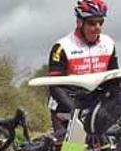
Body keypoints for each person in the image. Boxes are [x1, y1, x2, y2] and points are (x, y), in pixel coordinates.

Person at [48, 0, 117, 136]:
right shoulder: (62, 47)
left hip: (93, 107)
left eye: (100, 22)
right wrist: (75, 110)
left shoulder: (108, 44)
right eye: (92, 22)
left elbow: (115, 80)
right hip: (65, 108)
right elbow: (54, 86)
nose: (97, 27)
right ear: (80, 22)